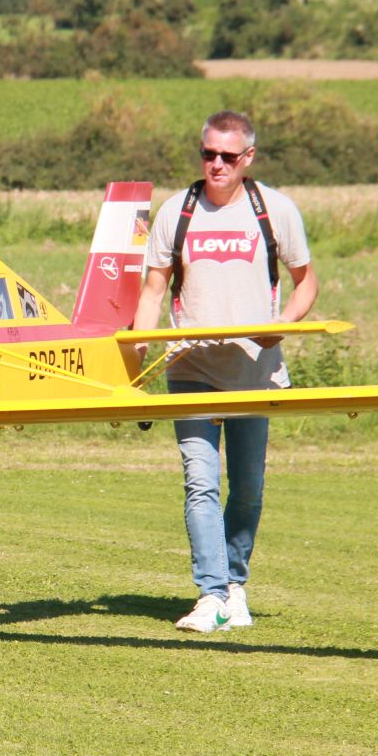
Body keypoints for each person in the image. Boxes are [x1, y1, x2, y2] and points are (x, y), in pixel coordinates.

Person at [132, 110, 317, 633]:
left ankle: (235, 585)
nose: (216, 164)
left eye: (228, 156)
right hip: (190, 368)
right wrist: (135, 365)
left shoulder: (275, 210)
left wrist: (283, 325)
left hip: (256, 371)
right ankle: (211, 594)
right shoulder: (176, 211)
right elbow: (152, 292)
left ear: (248, 157)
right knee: (200, 482)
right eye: (208, 154)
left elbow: (306, 282)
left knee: (248, 488)